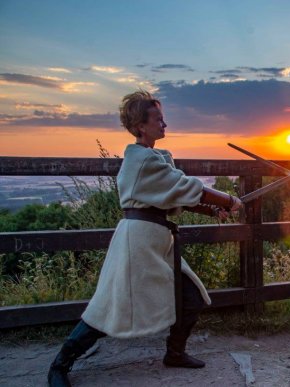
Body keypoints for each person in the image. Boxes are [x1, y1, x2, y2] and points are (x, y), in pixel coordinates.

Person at [48, 90, 242, 386]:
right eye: (158, 120)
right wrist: (228, 199)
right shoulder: (141, 160)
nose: (164, 125)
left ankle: (175, 353)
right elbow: (183, 185)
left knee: (190, 296)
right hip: (137, 242)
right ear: (141, 126)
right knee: (111, 307)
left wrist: (210, 209)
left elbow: (174, 194)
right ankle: (59, 365)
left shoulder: (155, 159)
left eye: (163, 119)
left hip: (159, 240)